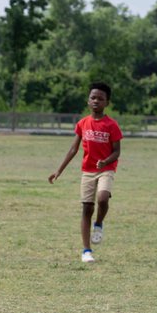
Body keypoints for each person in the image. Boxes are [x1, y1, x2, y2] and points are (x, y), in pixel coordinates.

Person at [48, 82, 122, 263]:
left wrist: (106, 161)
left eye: (101, 98)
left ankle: (99, 224)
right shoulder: (83, 123)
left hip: (106, 169)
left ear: (107, 103)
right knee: (87, 208)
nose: (96, 101)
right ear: (88, 101)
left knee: (103, 198)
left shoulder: (111, 125)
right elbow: (73, 149)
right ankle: (86, 251)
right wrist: (59, 170)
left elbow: (117, 151)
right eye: (93, 98)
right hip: (88, 171)